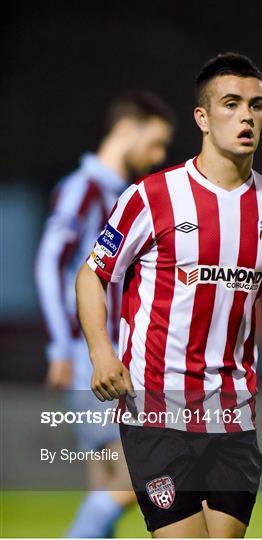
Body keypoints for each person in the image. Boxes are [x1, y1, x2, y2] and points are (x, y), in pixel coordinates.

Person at [76, 53, 262, 538]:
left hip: (234, 417)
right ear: (202, 118)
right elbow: (92, 275)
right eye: (232, 103)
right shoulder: (152, 197)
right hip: (157, 413)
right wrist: (101, 351)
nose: (248, 116)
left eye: (257, 105)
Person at [35, 89, 174, 538]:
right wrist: (60, 346)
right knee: (147, 474)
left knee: (107, 480)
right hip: (88, 357)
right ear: (126, 129)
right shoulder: (85, 189)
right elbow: (48, 262)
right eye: (155, 143)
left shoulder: (121, 195)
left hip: (107, 357)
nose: (158, 156)